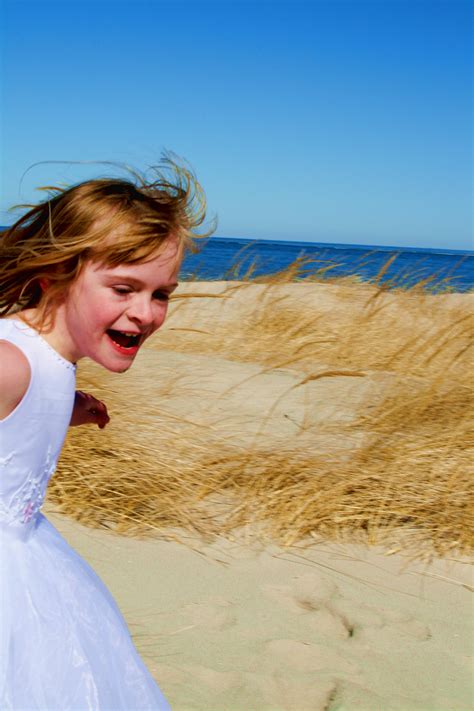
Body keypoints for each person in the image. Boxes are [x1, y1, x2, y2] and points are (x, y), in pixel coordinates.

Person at [0, 156, 210, 709]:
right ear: (56, 274)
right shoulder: (8, 363)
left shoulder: (41, 364)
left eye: (162, 293)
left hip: (32, 562)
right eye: (123, 288)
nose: (145, 313)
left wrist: (67, 406)